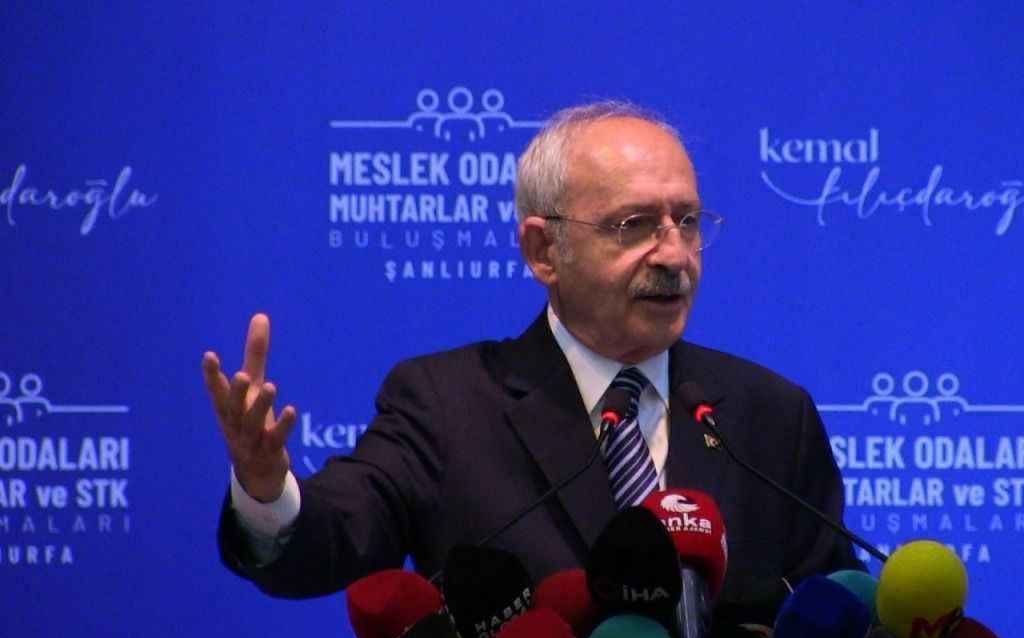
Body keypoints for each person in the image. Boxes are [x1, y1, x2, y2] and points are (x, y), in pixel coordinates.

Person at [205, 101, 860, 599]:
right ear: (543, 250)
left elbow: (831, 622)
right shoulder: (447, 406)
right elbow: (335, 538)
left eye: (686, 222)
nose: (674, 255)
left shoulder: (770, 417)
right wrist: (267, 492)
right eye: (634, 225)